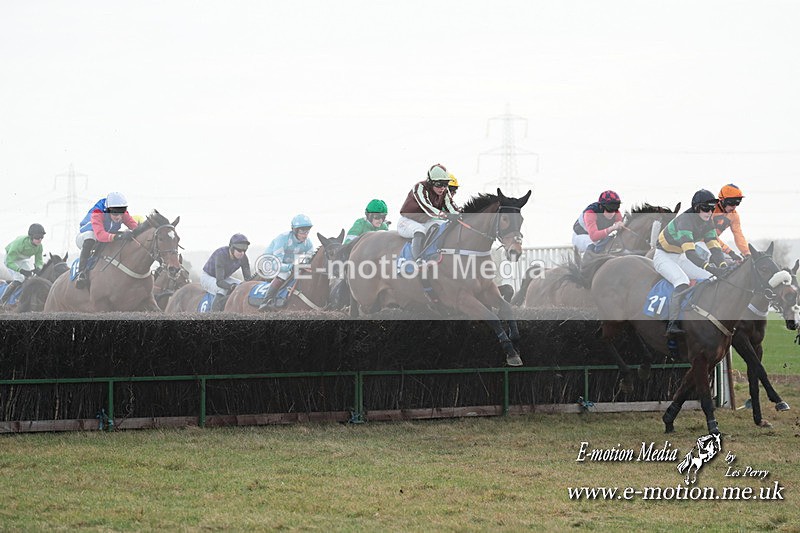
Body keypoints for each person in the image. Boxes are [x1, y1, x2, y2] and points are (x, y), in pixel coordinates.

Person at [653, 189, 728, 336]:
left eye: (712, 208)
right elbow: (691, 253)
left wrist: (723, 266)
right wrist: (711, 267)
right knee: (682, 281)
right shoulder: (685, 221)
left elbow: (715, 247)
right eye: (706, 208)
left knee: (710, 278)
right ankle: (672, 323)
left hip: (680, 257)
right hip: (663, 257)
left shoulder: (707, 222)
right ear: (696, 207)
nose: (709, 212)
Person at [75, 192, 139, 289]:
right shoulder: (97, 213)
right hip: (86, 238)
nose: (119, 216)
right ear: (108, 210)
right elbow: (100, 235)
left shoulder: (122, 213)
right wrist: (120, 237)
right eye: (115, 213)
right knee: (91, 236)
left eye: (121, 212)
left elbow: (135, 227)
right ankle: (81, 273)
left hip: (104, 238)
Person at [397, 163, 460, 261]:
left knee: (444, 226)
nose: (442, 188)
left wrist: (461, 215)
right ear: (431, 182)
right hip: (407, 221)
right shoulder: (419, 188)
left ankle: (436, 254)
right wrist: (446, 215)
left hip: (426, 221)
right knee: (419, 230)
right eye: (439, 184)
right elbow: (427, 207)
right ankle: (418, 260)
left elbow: (451, 206)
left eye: (445, 184)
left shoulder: (445, 191)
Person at [259, 214, 315, 309]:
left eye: (307, 231)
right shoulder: (283, 239)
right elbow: (276, 265)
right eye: (302, 231)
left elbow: (309, 259)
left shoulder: (308, 243)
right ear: (294, 230)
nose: (305, 234)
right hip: (269, 264)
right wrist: (293, 267)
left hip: (286, 264)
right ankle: (265, 302)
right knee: (284, 273)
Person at [200, 234, 252, 311]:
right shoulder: (221, 255)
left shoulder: (243, 257)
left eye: (244, 250)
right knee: (222, 289)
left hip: (224, 277)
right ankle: (214, 315)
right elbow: (220, 282)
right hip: (208, 277)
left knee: (242, 285)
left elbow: (248, 280)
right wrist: (231, 286)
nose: (242, 253)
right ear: (231, 248)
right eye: (239, 250)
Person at [1, 223, 46, 305]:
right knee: (19, 278)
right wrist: (20, 270)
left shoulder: (39, 246)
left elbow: (39, 260)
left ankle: (22, 299)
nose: (39, 240)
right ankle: (2, 301)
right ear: (31, 236)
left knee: (30, 278)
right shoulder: (19, 243)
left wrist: (38, 267)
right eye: (37, 237)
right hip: (11, 260)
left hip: (22, 260)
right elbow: (9, 262)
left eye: (41, 237)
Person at [571, 190, 624, 255]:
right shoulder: (590, 213)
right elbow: (594, 237)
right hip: (582, 236)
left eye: (616, 207)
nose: (613, 212)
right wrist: (612, 228)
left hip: (599, 237)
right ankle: (588, 264)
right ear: (601, 206)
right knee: (593, 245)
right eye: (610, 208)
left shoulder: (616, 213)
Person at [712, 183, 750, 262]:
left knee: (734, 264)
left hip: (713, 244)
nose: (734, 206)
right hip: (697, 242)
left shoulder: (734, 216)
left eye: (737, 202)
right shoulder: (710, 210)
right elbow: (710, 236)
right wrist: (730, 252)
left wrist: (747, 253)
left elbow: (738, 235)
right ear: (722, 200)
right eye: (732, 202)